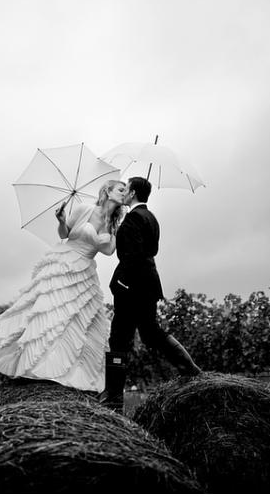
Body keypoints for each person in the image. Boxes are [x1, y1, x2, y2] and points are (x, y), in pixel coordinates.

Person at [0, 180, 126, 392]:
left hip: (85, 272)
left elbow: (108, 251)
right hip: (64, 263)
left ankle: (70, 373)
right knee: (53, 315)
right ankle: (39, 368)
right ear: (108, 191)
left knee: (78, 322)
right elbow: (64, 234)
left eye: (126, 191)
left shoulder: (114, 224)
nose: (124, 193)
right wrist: (61, 221)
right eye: (121, 189)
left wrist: (117, 231)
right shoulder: (85, 209)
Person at [100, 176, 201, 410]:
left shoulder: (134, 218)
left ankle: (113, 398)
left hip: (132, 288)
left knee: (119, 339)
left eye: (126, 188)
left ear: (133, 193)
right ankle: (191, 370)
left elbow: (132, 256)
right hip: (149, 284)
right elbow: (151, 250)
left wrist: (122, 283)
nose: (124, 192)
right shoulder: (151, 218)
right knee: (151, 332)